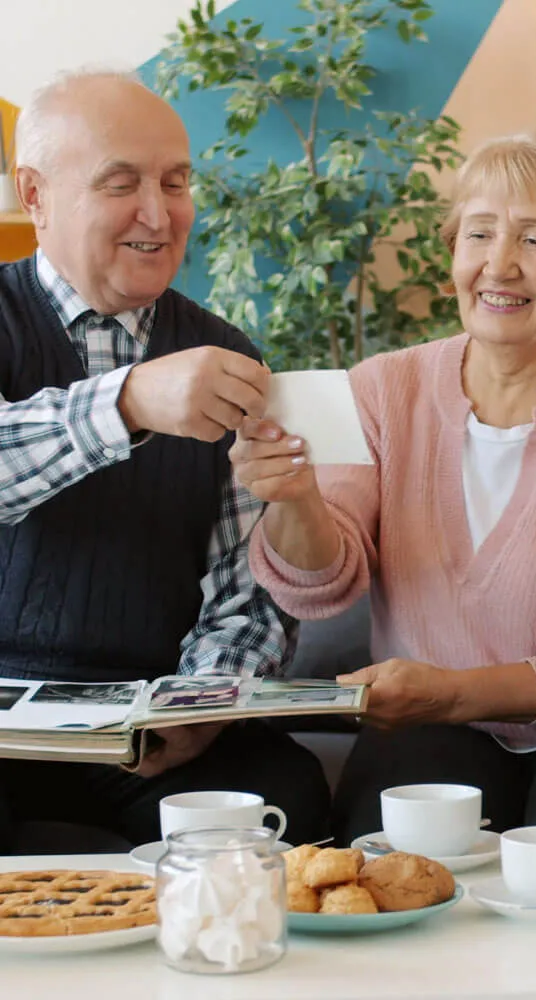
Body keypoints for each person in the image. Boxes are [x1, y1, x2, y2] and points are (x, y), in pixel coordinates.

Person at [231, 129, 536, 879]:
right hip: (441, 724)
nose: (500, 265)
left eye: (535, 239)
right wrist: (295, 499)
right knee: (397, 871)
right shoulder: (381, 390)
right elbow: (320, 583)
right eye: (479, 234)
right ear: (454, 254)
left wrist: (453, 693)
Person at [0, 70, 331, 849]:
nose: (159, 213)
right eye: (122, 184)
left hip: (151, 725)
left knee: (287, 800)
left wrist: (200, 706)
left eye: (176, 182)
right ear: (35, 195)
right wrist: (128, 403)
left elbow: (249, 586)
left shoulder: (227, 354)